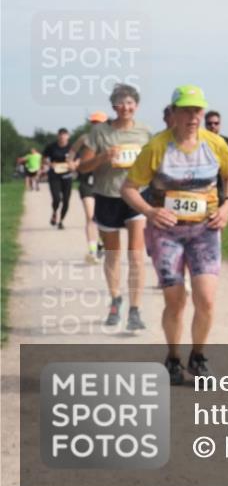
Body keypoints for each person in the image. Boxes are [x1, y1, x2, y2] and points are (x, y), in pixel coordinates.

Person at [120, 85, 228, 385]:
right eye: (185, 110)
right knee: (175, 301)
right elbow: (128, 188)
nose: (193, 116)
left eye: (197, 110)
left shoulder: (215, 144)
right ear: (172, 113)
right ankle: (173, 357)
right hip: (166, 234)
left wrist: (227, 205)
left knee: (206, 300)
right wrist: (150, 211)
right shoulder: (157, 147)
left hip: (205, 231)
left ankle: (197, 357)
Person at [77, 84, 152, 331]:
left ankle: (135, 309)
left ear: (136, 106)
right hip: (107, 196)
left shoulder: (144, 132)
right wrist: (103, 158)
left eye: (130, 103)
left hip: (135, 196)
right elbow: (83, 167)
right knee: (113, 253)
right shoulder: (99, 132)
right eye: (120, 103)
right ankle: (115, 299)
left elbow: (153, 163)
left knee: (136, 255)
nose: (126, 107)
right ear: (113, 106)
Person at [71, 112, 108, 263]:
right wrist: (71, 163)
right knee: (90, 216)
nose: (96, 125)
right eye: (93, 122)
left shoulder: (111, 139)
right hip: (86, 182)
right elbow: (72, 152)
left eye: (99, 122)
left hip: (105, 183)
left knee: (104, 219)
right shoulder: (84, 138)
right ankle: (92, 252)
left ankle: (101, 244)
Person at [42, 128, 76, 229]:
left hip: (67, 175)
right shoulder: (51, 147)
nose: (62, 136)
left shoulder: (72, 148)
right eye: (60, 134)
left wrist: (73, 164)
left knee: (66, 200)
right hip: (54, 175)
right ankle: (54, 212)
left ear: (68, 136)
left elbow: (78, 159)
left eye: (64, 134)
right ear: (58, 136)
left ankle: (61, 221)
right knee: (56, 198)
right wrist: (50, 163)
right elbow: (43, 158)